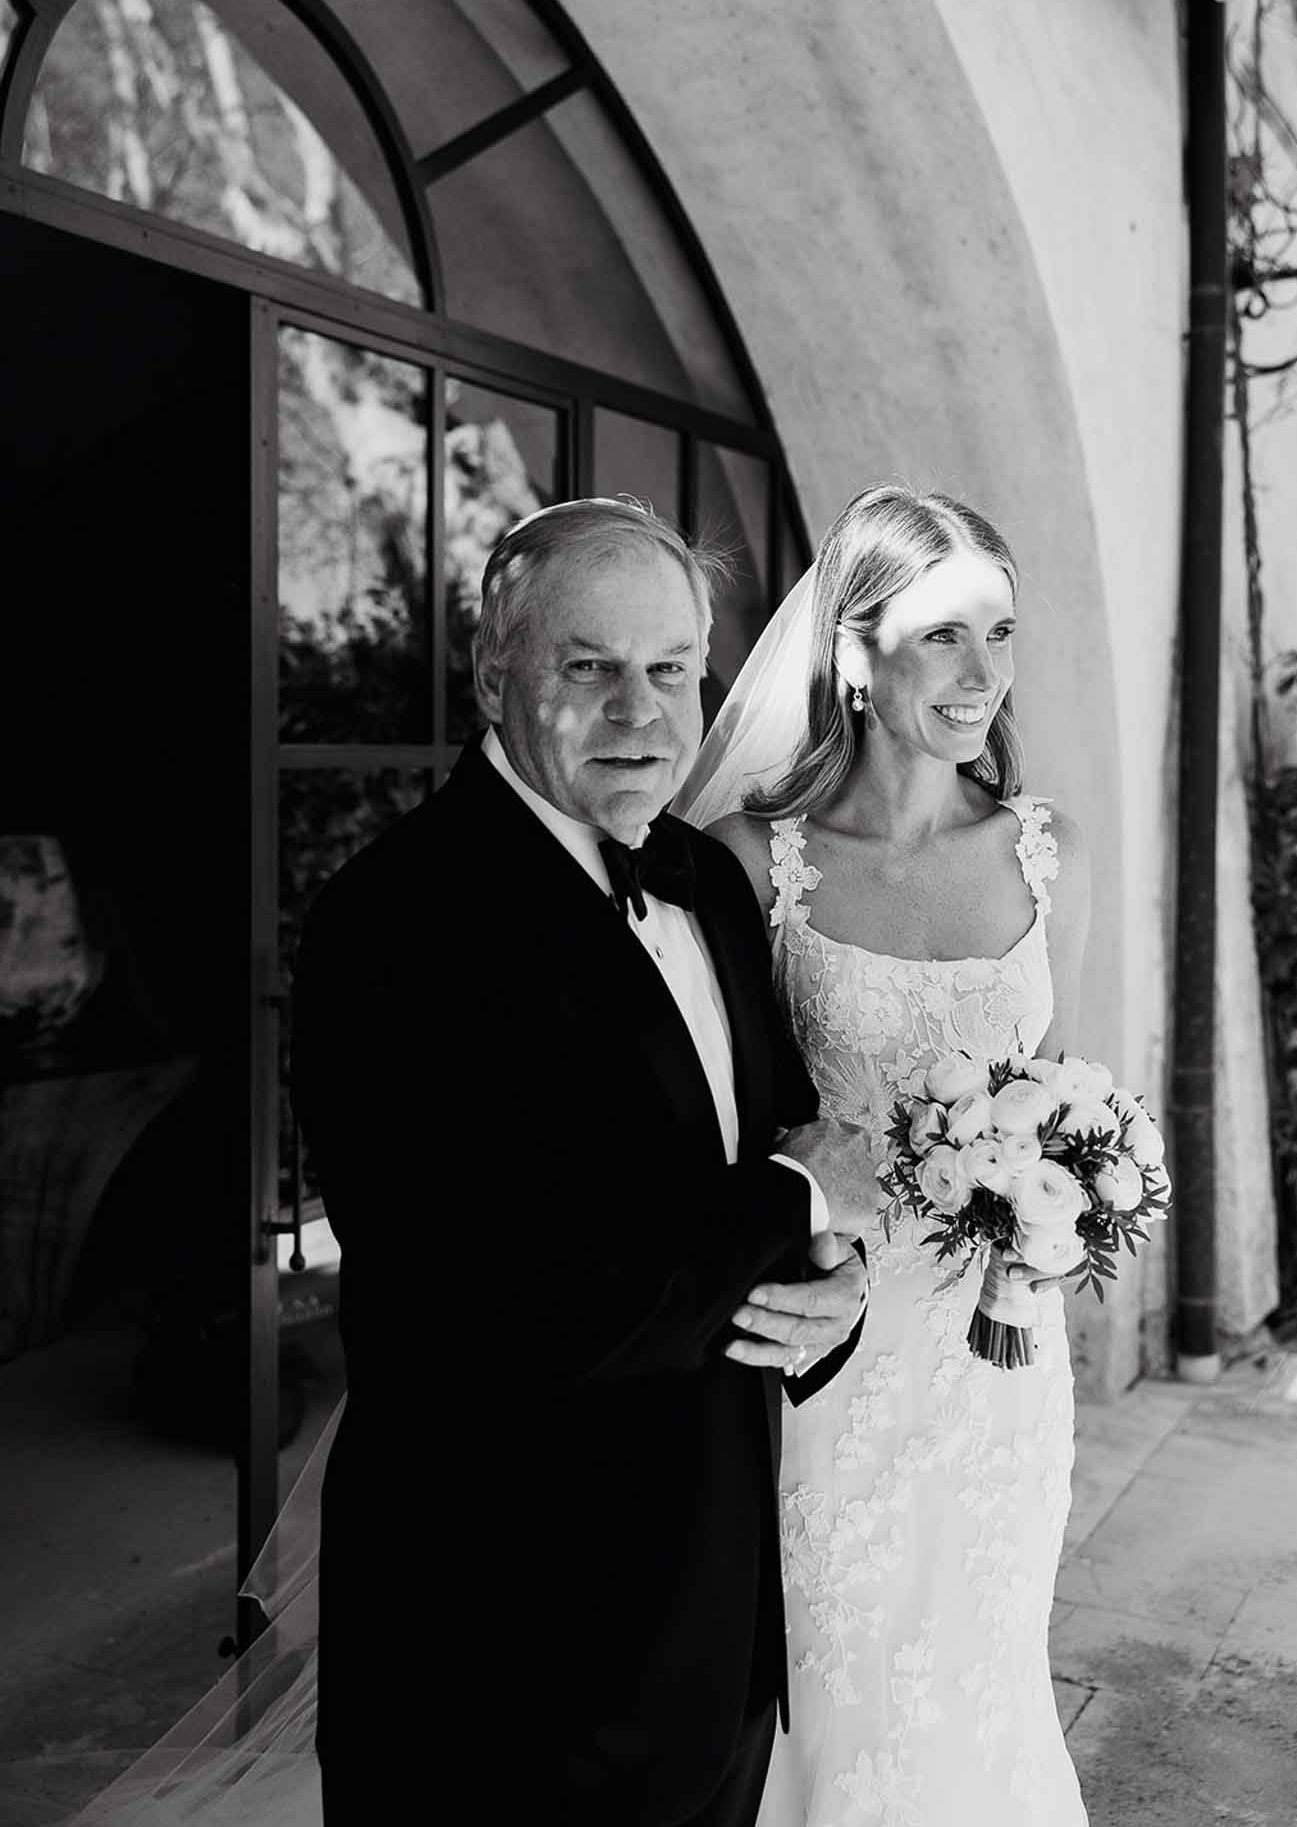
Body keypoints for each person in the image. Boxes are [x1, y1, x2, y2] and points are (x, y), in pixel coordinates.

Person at [65, 497, 879, 1827]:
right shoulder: (398, 922)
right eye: (588, 666)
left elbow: (785, 1167)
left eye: (672, 669)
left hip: (717, 1628)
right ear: (493, 673)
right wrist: (801, 1196)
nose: (642, 712)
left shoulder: (707, 882)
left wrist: (827, 1297)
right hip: (505, 1664)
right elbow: (516, 1309)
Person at [676, 482, 1092, 1827]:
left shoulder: (1042, 856)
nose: (983, 676)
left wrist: (1072, 1199)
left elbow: (1060, 1097)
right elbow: (703, 1145)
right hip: (825, 1367)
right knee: (837, 1694)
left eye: (1000, 635)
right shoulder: (752, 865)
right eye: (942, 639)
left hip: (999, 1371)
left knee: (978, 1677)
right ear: (854, 655)